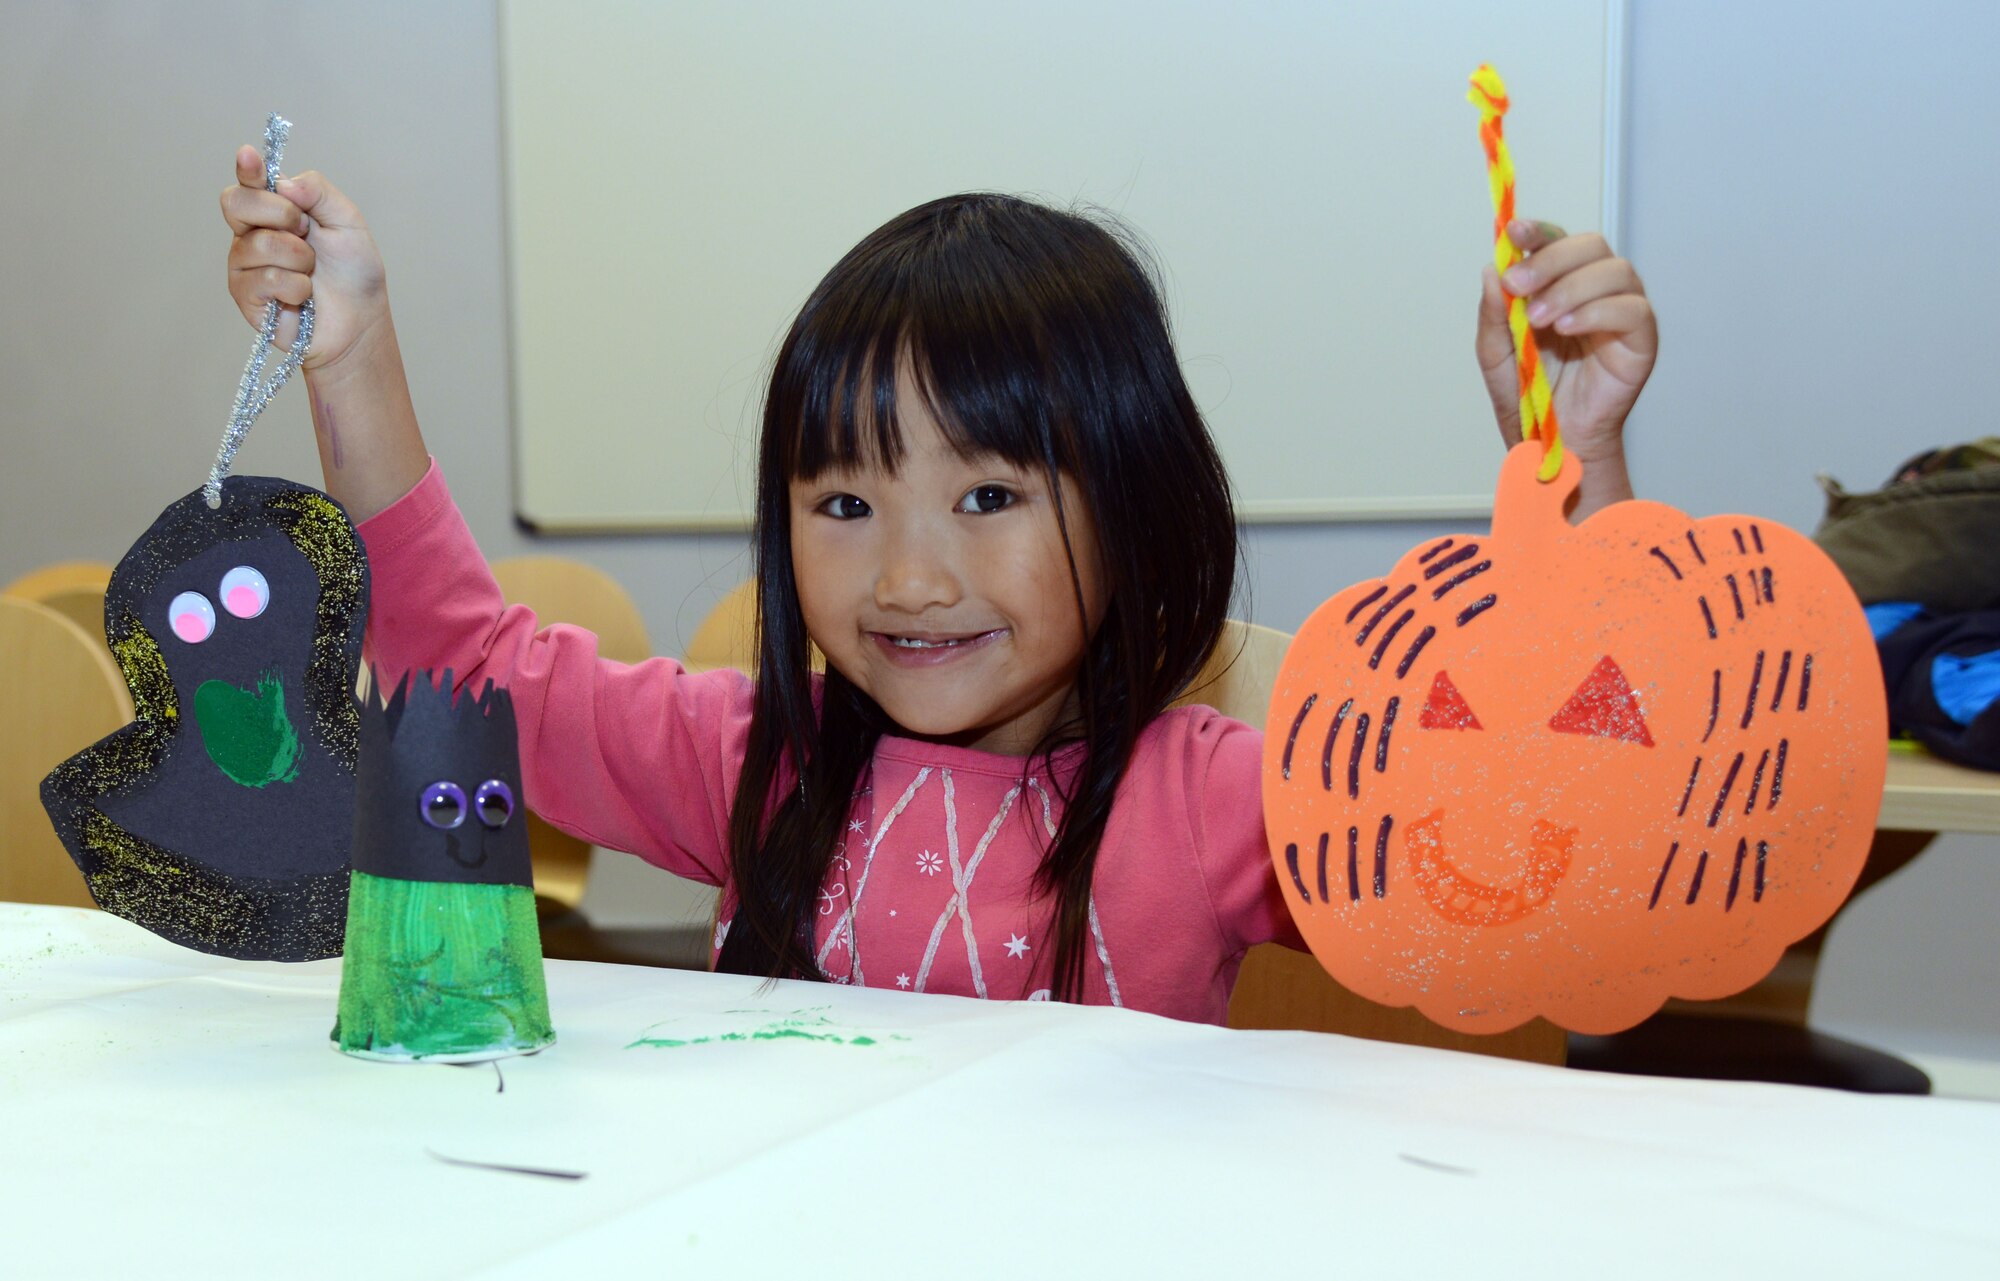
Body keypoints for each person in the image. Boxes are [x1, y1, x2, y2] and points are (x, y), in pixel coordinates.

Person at [221, 147, 1657, 1023]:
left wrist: (1576, 459)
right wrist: (354, 361)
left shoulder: (1214, 798)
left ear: (1135, 503)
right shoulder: (748, 759)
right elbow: (461, 665)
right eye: (845, 500)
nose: (909, 574)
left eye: (987, 495)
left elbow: (1550, 855)